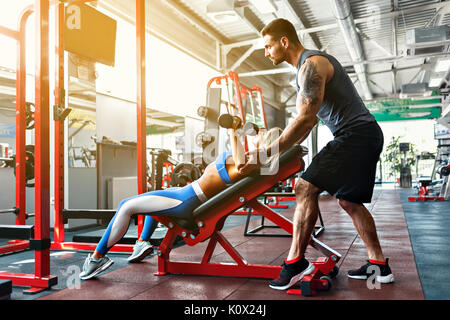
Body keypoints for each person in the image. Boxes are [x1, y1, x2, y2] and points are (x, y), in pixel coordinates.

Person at [239, 18, 394, 290]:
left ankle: (295, 262)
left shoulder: (312, 64)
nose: (266, 52)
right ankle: (379, 266)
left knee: (304, 187)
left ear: (284, 42)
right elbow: (304, 122)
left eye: (268, 46)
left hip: (356, 135)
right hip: (364, 134)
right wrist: (276, 149)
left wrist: (265, 155)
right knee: (349, 201)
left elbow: (305, 119)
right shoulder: (304, 70)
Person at [79, 124, 282, 280]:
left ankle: (96, 259)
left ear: (267, 143)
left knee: (126, 205)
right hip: (186, 193)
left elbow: (239, 167)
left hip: (187, 200)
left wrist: (234, 131)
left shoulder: (253, 160)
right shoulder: (252, 158)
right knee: (156, 195)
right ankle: (141, 243)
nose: (257, 132)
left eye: (262, 133)